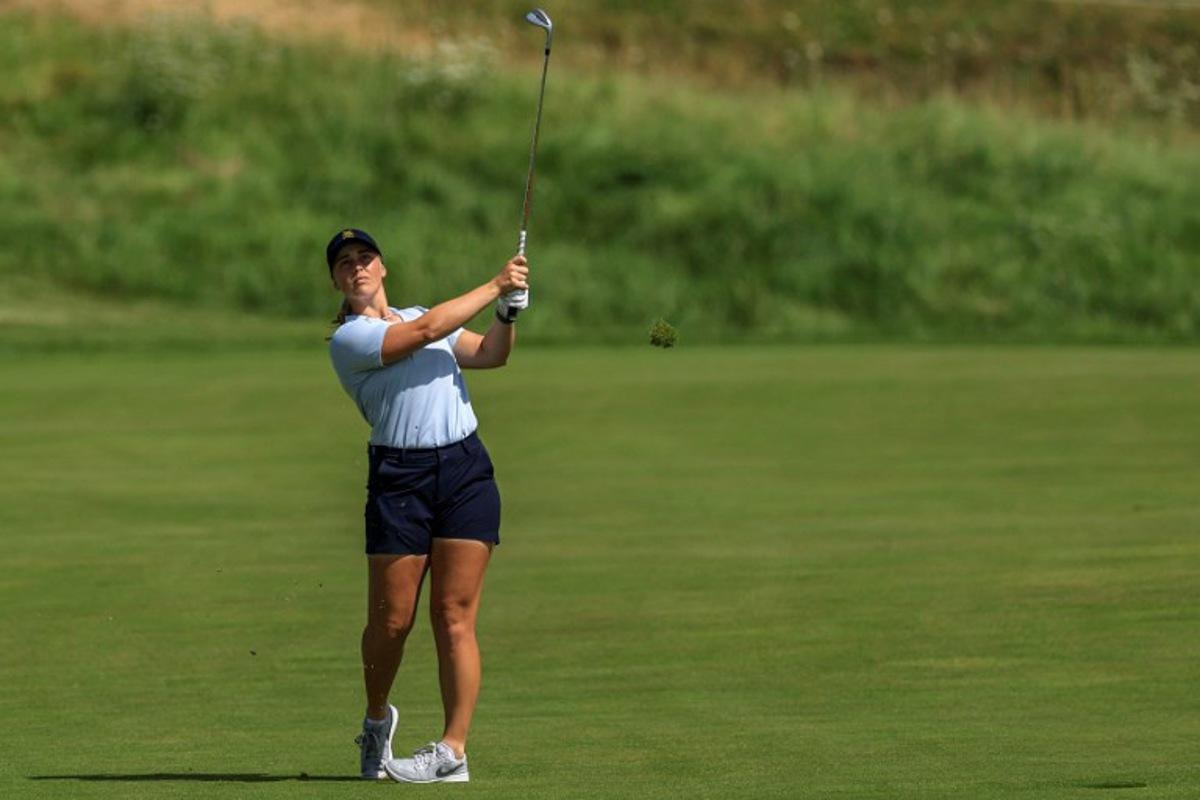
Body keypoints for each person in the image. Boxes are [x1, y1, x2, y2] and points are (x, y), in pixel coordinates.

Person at [325, 228, 529, 783]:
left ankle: (453, 751)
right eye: (345, 263)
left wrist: (507, 314)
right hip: (399, 478)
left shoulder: (421, 314)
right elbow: (426, 330)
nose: (357, 267)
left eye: (365, 257)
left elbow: (489, 355)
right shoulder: (349, 340)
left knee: (454, 617)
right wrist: (495, 283)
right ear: (337, 282)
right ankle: (375, 720)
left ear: (382, 267)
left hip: (465, 470)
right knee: (392, 622)